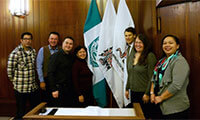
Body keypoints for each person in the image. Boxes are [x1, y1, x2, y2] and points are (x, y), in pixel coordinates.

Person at [150, 35, 190, 119]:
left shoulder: (179, 61)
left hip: (175, 109)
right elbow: (154, 79)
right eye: (164, 43)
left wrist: (161, 97)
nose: (167, 45)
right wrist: (152, 93)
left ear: (177, 46)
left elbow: (176, 85)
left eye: (171, 43)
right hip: (159, 106)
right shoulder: (162, 61)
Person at [7, 32, 40, 120]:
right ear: (21, 40)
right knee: (21, 112)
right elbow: (10, 71)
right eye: (25, 39)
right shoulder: (15, 53)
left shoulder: (33, 51)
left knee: (34, 110)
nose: (27, 41)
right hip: (20, 88)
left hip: (32, 87)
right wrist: (16, 82)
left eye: (29, 39)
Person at [125, 34, 157, 118]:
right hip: (133, 92)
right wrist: (127, 88)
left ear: (145, 44)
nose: (137, 45)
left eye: (140, 42)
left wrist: (147, 93)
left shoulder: (150, 56)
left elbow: (152, 77)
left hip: (144, 94)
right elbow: (130, 73)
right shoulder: (132, 55)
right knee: (136, 115)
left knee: (144, 116)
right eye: (136, 42)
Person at [47, 36, 77, 107]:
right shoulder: (55, 56)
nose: (68, 45)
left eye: (70, 44)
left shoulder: (72, 57)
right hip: (58, 89)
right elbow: (50, 73)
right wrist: (54, 89)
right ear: (62, 44)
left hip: (69, 89)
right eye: (66, 43)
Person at [36, 32, 60, 105]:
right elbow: (39, 66)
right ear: (48, 40)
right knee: (47, 101)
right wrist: (41, 81)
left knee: (57, 101)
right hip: (46, 80)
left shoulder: (60, 49)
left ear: (58, 40)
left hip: (58, 80)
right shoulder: (43, 50)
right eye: (52, 39)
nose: (53, 41)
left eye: (55, 39)